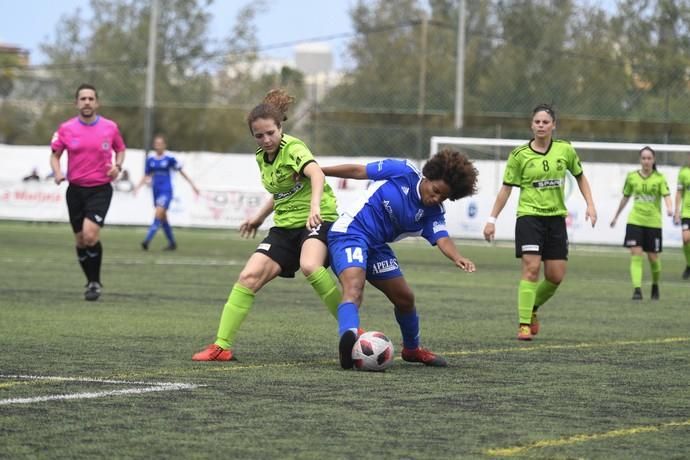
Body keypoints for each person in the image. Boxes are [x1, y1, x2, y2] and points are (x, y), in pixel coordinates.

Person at [192, 89, 341, 361]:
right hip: (284, 227)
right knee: (248, 277)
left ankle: (351, 331)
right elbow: (281, 191)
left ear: (280, 127)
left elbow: (316, 173)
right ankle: (221, 347)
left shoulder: (293, 148)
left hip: (317, 220)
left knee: (310, 266)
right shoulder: (262, 157)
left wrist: (315, 207)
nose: (266, 139)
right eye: (259, 136)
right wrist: (258, 217)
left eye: (271, 133)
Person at [324, 150, 479, 369]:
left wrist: (458, 256)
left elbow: (442, 238)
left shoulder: (433, 212)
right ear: (428, 176)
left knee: (405, 298)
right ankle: (348, 342)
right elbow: (359, 171)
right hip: (350, 232)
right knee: (354, 287)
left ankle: (412, 350)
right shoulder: (402, 171)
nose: (436, 199)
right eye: (435, 191)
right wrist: (318, 172)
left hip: (377, 246)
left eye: (443, 197)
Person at [483, 103, 597, 341]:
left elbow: (580, 177)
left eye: (546, 122)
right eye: (537, 122)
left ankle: (532, 307)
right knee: (531, 268)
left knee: (555, 276)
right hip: (529, 218)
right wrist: (492, 219)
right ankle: (524, 323)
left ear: (554, 125)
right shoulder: (519, 155)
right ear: (531, 125)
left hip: (556, 219)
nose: (541, 126)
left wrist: (590, 204)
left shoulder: (565, 150)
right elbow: (506, 190)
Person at [49, 83, 126, 301]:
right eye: (83, 99)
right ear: (76, 103)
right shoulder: (66, 129)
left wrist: (117, 167)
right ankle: (91, 281)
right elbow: (55, 155)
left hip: (100, 189)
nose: (87, 102)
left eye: (91, 99)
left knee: (90, 235)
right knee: (81, 240)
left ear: (97, 102)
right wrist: (57, 172)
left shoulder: (110, 127)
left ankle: (95, 282)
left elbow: (120, 149)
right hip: (75, 191)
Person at [610, 147, 673, 300]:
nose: (646, 161)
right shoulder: (632, 177)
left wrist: (670, 208)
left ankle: (655, 284)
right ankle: (637, 290)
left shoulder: (660, 178)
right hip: (635, 221)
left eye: (649, 158)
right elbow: (625, 198)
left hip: (653, 223)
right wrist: (616, 216)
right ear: (640, 160)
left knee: (653, 258)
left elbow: (666, 195)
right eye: (643, 158)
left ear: (654, 160)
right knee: (636, 254)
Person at [134, 134, 200, 250]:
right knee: (163, 218)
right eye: (156, 144)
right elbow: (146, 175)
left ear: (164, 145)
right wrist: (138, 187)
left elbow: (181, 171)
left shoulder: (169, 158)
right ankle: (172, 243)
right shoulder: (151, 160)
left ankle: (147, 241)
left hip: (166, 190)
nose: (158, 146)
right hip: (155, 191)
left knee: (158, 214)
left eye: (160, 144)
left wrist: (193, 185)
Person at [674, 153, 690, 280]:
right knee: (685, 239)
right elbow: (679, 193)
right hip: (687, 212)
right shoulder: (684, 172)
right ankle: (689, 265)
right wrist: (677, 211)